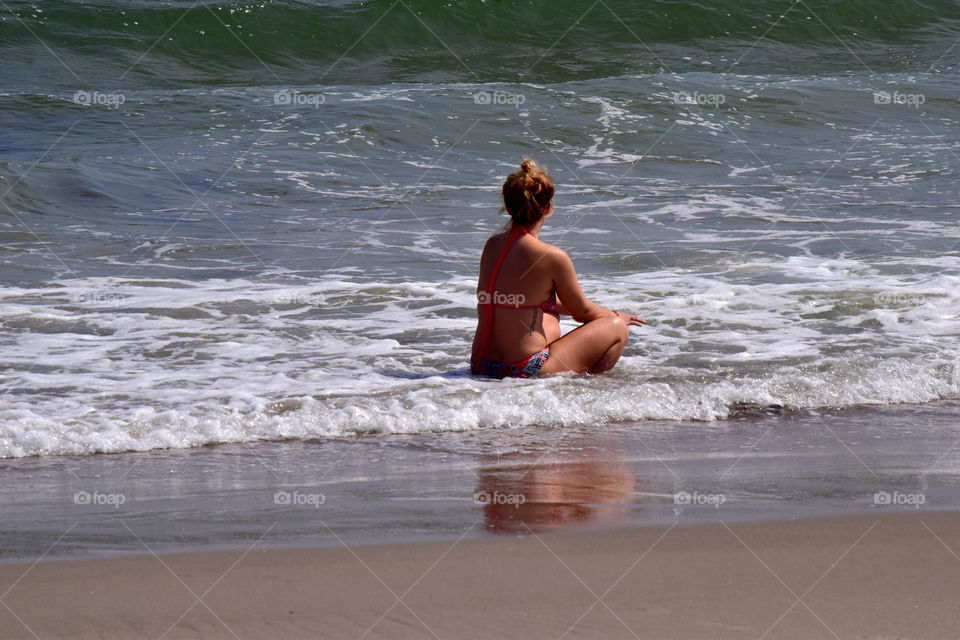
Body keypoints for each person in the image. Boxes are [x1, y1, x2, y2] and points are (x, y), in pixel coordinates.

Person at [470, 158, 646, 378]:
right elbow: (582, 312)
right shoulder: (552, 256)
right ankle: (590, 394)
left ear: (507, 207)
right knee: (617, 327)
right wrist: (616, 315)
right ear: (549, 206)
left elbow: (515, 298)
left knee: (549, 316)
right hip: (523, 367)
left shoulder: (492, 246)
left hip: (481, 364)